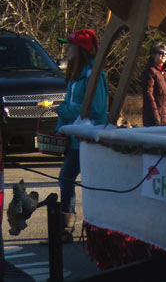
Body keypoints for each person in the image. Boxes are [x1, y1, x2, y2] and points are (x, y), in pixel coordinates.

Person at [53, 28, 109, 244]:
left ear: (81, 49)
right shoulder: (77, 74)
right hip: (76, 139)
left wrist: (62, 111)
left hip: (89, 139)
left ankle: (99, 230)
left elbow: (96, 109)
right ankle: (66, 229)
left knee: (88, 183)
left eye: (71, 45)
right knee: (66, 179)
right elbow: (72, 103)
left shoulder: (94, 74)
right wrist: (61, 127)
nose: (67, 49)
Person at [141, 41, 166, 126]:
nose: (164, 55)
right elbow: (148, 95)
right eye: (161, 53)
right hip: (154, 119)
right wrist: (156, 117)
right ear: (153, 54)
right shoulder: (150, 72)